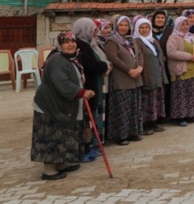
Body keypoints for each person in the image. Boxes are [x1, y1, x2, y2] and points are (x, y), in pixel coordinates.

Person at [31, 31, 96, 181]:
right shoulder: (56, 60)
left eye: (73, 41)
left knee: (63, 133)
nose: (70, 44)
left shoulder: (72, 59)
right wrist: (81, 92)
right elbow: (62, 84)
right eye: (66, 42)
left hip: (62, 105)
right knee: (50, 135)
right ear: (60, 45)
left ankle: (61, 163)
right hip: (49, 105)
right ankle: (49, 170)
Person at [72, 18, 110, 162]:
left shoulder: (89, 44)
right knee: (87, 118)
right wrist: (105, 67)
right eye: (93, 30)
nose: (95, 32)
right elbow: (91, 65)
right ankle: (87, 147)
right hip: (86, 86)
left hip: (93, 84)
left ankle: (93, 144)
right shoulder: (81, 45)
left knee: (93, 115)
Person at [104, 16, 144, 145]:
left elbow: (140, 54)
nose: (123, 28)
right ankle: (121, 136)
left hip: (135, 79)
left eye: (126, 25)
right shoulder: (112, 41)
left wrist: (139, 67)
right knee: (122, 109)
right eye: (121, 25)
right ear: (116, 26)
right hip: (122, 79)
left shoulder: (131, 40)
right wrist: (129, 70)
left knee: (134, 107)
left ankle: (133, 132)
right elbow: (114, 58)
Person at [132, 18, 168, 134]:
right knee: (146, 100)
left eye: (146, 27)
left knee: (156, 99)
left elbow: (158, 54)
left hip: (157, 74)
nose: (144, 30)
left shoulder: (152, 40)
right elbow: (139, 57)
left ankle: (154, 121)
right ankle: (145, 124)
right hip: (147, 74)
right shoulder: (137, 41)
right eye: (141, 28)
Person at [166, 16, 194, 126]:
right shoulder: (173, 37)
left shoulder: (191, 36)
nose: (185, 26)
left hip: (193, 69)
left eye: (186, 24)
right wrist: (189, 56)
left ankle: (191, 114)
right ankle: (179, 117)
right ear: (177, 25)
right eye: (182, 24)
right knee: (181, 94)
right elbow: (171, 52)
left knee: (191, 93)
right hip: (181, 69)